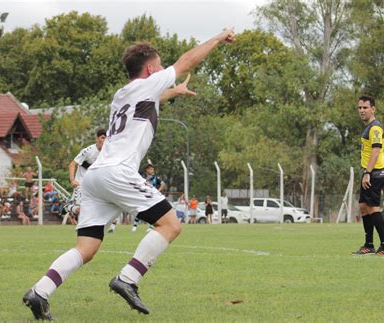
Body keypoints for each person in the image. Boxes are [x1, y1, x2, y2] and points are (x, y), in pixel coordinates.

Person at [23, 28, 236, 320]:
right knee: (171, 225)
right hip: (117, 172)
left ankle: (40, 291)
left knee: (86, 248)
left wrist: (175, 92)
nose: (164, 71)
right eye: (160, 67)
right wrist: (217, 38)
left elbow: (151, 101)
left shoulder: (123, 94)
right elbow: (186, 60)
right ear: (149, 69)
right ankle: (128, 278)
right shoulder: (147, 83)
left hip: (95, 178)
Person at [351, 95, 384, 256]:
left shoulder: (375, 128)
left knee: (373, 207)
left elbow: (376, 151)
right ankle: (369, 245)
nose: (362, 110)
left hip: (374, 173)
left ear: (373, 109)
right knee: (363, 206)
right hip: (369, 172)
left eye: (365, 108)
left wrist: (368, 173)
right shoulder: (368, 127)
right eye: (360, 108)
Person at [64, 129, 107, 220]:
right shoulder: (88, 151)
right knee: (82, 210)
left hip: (93, 185)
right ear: (97, 139)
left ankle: (70, 207)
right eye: (102, 138)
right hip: (80, 183)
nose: (104, 140)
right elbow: (72, 164)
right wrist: (72, 180)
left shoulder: (107, 153)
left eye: (106, 138)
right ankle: (68, 206)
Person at [132, 163, 166, 232]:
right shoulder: (141, 177)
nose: (152, 170)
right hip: (142, 196)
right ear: (146, 170)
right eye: (151, 169)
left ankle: (151, 226)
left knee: (153, 212)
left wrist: (158, 191)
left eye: (153, 169)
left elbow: (163, 184)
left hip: (151, 198)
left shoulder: (156, 178)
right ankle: (135, 226)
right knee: (139, 210)